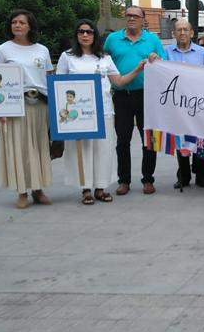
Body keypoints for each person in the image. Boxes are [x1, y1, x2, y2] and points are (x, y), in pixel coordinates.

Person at [57, 19, 144, 204]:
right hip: (78, 114)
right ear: (76, 35)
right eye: (81, 32)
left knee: (103, 150)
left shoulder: (104, 57)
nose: (85, 35)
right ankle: (85, 188)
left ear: (95, 35)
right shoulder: (68, 57)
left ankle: (100, 187)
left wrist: (137, 69)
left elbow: (118, 81)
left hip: (104, 110)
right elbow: (59, 86)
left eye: (89, 32)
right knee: (83, 150)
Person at [0, 10, 54, 209]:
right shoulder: (3, 50)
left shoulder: (42, 50)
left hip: (40, 104)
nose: (17, 25)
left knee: (38, 147)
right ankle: (22, 191)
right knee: (20, 148)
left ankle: (38, 189)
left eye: (22, 22)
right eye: (14, 22)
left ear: (30, 26)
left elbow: (49, 78)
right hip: (15, 105)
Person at [103, 6, 165, 195]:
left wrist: (157, 57)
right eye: (128, 15)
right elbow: (102, 62)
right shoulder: (112, 39)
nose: (131, 18)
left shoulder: (152, 39)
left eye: (135, 16)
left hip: (146, 95)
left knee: (149, 139)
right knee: (123, 140)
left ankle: (148, 179)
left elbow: (164, 63)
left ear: (142, 20)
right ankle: (124, 181)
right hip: (121, 96)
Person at [164, 18, 204, 189]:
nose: (183, 33)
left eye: (186, 29)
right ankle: (183, 176)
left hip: (199, 103)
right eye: (179, 30)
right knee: (181, 141)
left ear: (192, 33)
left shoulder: (202, 53)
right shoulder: (166, 53)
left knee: (201, 139)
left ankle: (201, 175)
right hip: (177, 104)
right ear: (174, 33)